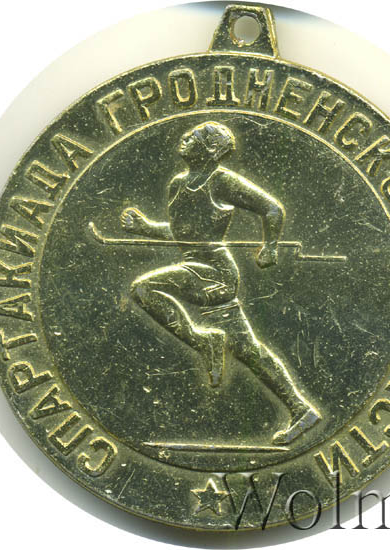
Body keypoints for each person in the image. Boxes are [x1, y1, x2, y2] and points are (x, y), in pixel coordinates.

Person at [120, 121, 320, 445]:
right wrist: (144, 227)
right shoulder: (177, 184)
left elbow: (272, 209)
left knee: (144, 288)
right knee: (248, 350)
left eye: (195, 136)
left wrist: (270, 247)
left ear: (211, 149)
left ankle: (205, 342)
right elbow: (183, 233)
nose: (186, 137)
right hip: (194, 267)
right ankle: (301, 409)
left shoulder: (222, 181)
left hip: (216, 272)